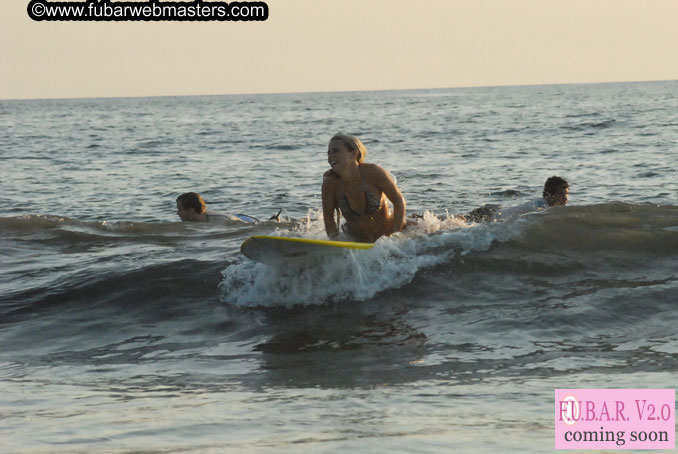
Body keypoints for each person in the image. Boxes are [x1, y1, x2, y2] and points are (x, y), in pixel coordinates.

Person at [321, 134, 406, 242]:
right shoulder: (330, 184)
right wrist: (337, 243)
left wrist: (395, 237)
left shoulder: (374, 172)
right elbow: (329, 219)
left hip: (388, 236)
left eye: (336, 151)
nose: (330, 157)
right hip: (357, 241)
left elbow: (399, 201)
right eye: (329, 153)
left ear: (354, 153)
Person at [463, 176, 569, 223]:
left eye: (566, 194)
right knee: (458, 220)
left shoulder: (546, 205)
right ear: (550, 194)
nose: (565, 198)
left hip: (497, 211)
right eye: (561, 194)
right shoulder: (540, 206)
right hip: (490, 213)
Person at [176, 192, 261, 223]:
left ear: (191, 210)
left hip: (246, 220)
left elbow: (245, 228)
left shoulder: (220, 221)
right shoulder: (193, 220)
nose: (177, 213)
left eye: (180, 209)